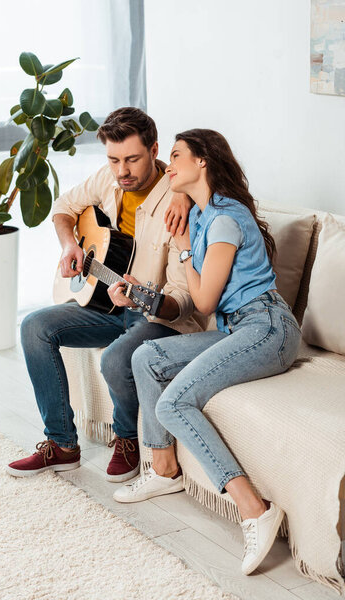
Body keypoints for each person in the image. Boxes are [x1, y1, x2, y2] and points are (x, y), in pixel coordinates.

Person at [111, 129, 302, 576]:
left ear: (203, 162)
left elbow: (205, 302)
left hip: (268, 328)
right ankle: (162, 467)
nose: (168, 165)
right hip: (241, 328)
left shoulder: (223, 220)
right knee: (147, 356)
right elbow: (201, 297)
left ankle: (255, 509)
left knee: (176, 400)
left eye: (175, 156)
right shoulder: (202, 215)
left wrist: (181, 255)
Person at [6, 108, 208, 480]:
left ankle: (128, 439)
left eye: (132, 159)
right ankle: (63, 445)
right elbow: (64, 208)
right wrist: (70, 246)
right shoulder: (109, 179)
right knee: (33, 327)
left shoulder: (181, 203)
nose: (122, 171)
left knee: (115, 360)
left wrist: (141, 297)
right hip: (108, 305)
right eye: (114, 160)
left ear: (154, 151)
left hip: (154, 315)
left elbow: (182, 301)